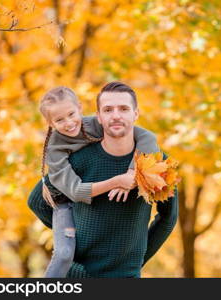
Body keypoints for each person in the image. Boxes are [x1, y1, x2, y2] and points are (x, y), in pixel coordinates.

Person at [28, 81, 178, 278]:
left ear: (136, 114)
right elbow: (37, 201)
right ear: (98, 116)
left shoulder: (157, 162)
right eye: (108, 109)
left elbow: (168, 217)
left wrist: (136, 261)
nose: (116, 115)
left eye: (124, 109)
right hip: (79, 276)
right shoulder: (76, 158)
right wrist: (73, 237)